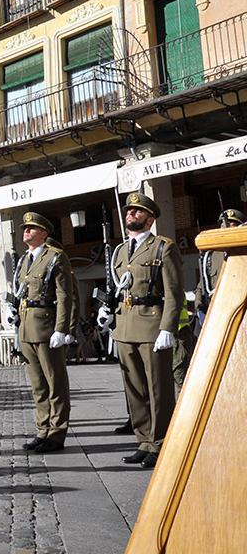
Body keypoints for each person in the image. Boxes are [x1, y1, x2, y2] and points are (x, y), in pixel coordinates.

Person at [98, 193, 183, 469]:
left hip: (151, 325)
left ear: (150, 218)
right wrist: (107, 310)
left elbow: (173, 292)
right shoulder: (121, 250)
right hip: (125, 326)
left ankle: (161, 443)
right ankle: (144, 441)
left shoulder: (163, 248)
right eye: (129, 211)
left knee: (158, 389)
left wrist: (167, 328)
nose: (130, 214)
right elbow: (118, 287)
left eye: (137, 211)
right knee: (134, 389)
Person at [5, 213, 74, 454]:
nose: (26, 231)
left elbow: (65, 296)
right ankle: (43, 429)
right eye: (25, 228)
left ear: (44, 233)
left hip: (46, 327)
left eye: (32, 228)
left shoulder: (55, 257)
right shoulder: (25, 260)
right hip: (27, 328)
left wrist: (62, 329)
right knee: (38, 385)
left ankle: (57, 433)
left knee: (55, 384)